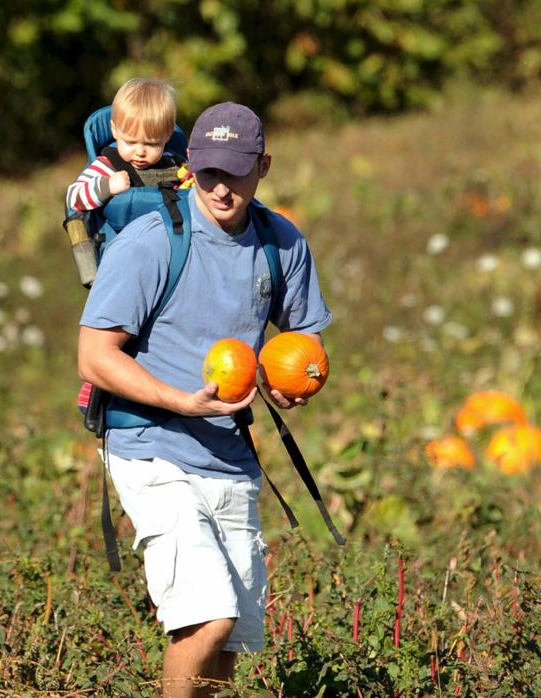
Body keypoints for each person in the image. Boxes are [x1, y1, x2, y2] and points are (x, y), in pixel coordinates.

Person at [77, 102, 332, 697]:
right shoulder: (149, 240)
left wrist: (291, 380)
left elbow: (302, 340)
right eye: (209, 171)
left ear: (262, 166)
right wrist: (180, 402)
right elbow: (94, 356)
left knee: (228, 644)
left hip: (229, 451)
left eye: (236, 172)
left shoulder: (282, 242)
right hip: (149, 443)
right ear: (190, 165)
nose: (221, 187)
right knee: (207, 616)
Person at [65, 77, 185, 213]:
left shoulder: (174, 163)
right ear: (115, 131)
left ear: (167, 136)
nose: (140, 152)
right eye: (131, 142)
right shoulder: (108, 166)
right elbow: (72, 199)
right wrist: (108, 186)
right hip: (125, 233)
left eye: (151, 144)